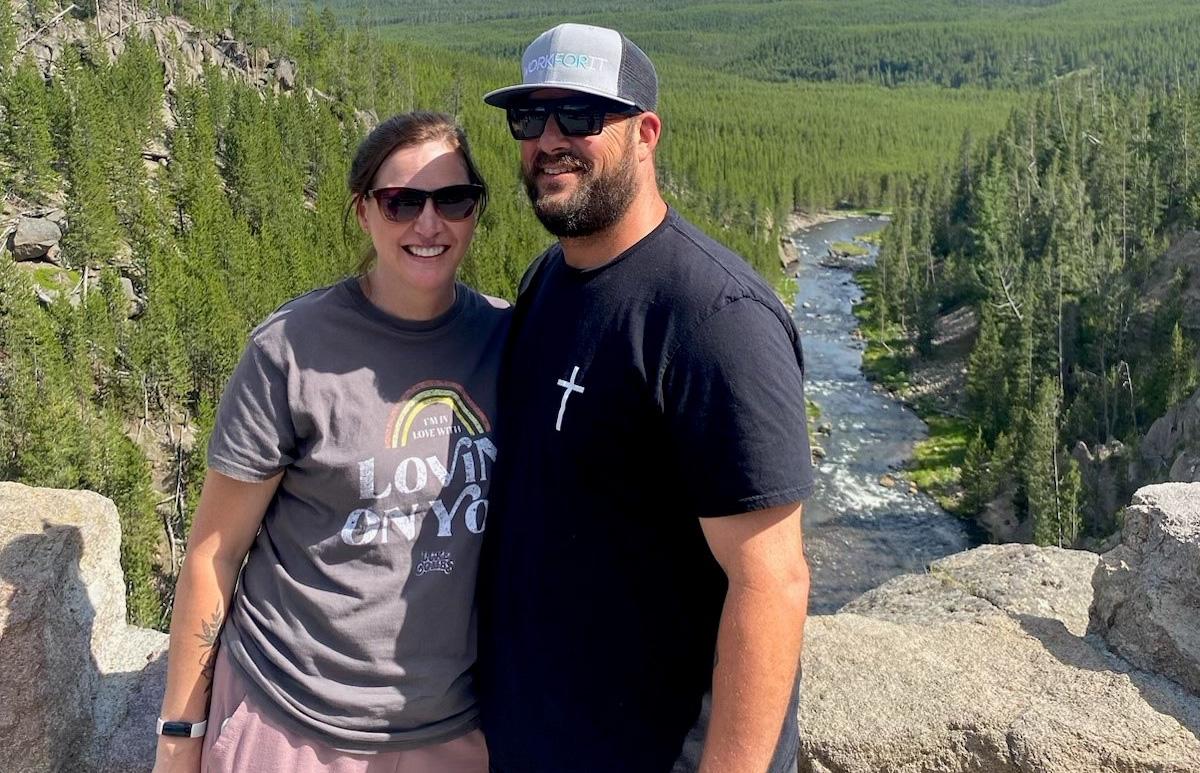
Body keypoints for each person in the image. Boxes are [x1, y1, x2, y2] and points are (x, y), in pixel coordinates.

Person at [478, 22, 814, 773]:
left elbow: (772, 580)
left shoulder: (713, 319)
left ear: (645, 133)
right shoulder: (548, 281)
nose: (550, 139)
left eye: (583, 115)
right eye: (530, 118)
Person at [152, 111, 507, 773]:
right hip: (291, 721)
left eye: (453, 200)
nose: (429, 224)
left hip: (453, 731)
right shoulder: (290, 351)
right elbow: (214, 554)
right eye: (401, 201)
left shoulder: (506, 339)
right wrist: (180, 734)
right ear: (362, 211)